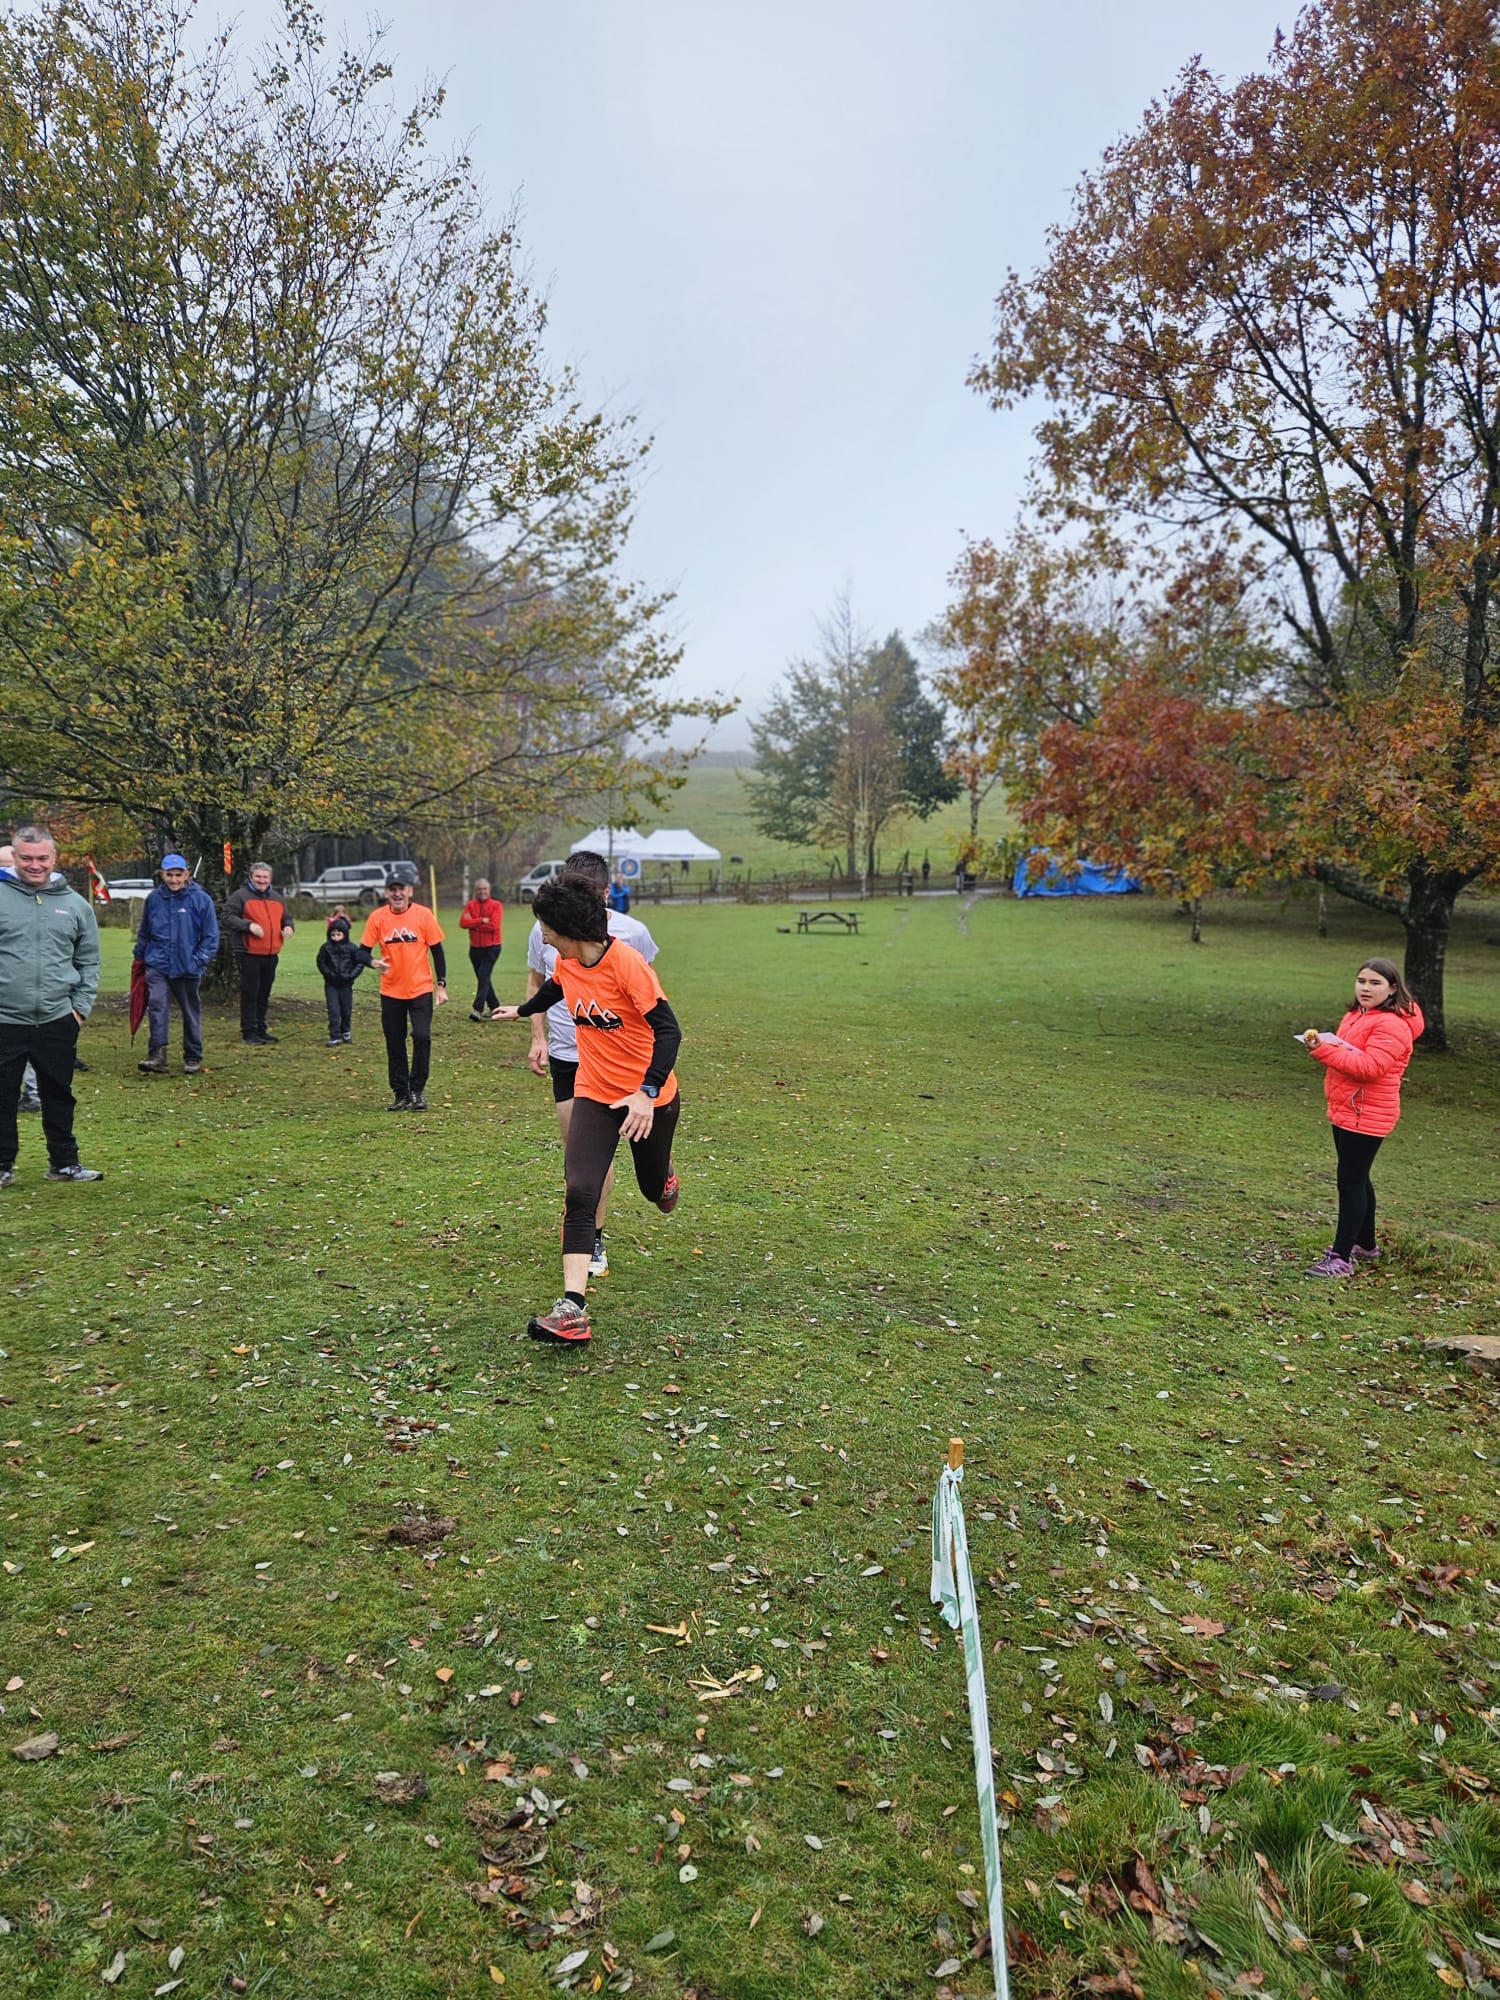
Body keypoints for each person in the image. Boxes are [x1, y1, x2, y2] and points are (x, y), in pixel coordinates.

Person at [493, 874, 681, 1345]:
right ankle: (571, 1308)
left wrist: (646, 1091)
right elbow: (557, 988)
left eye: (547, 927)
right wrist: (522, 1010)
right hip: (594, 1093)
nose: (543, 935)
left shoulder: (628, 965)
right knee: (579, 1190)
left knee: (652, 1189)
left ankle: (665, 1176)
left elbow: (669, 1031)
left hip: (646, 1099)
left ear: (569, 927)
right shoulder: (567, 959)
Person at [525, 850, 659, 1278]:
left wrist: (647, 1075)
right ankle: (592, 1239)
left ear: (604, 893)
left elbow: (647, 1000)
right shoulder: (546, 929)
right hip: (570, 1057)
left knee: (646, 1173)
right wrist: (537, 1036)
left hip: (623, 1066)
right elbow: (541, 981)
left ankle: (657, 1175)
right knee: (582, 1158)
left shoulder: (632, 935)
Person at [1300, 957, 1424, 1278]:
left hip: (1368, 1112)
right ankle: (1366, 1245)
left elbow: (1371, 1068)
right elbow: (1349, 1055)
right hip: (1347, 1107)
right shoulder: (1357, 1014)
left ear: (1393, 988)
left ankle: (1341, 1258)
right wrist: (1325, 1044)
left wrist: (1322, 1050)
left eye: (1375, 983)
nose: (1365, 988)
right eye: (1361, 981)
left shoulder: (1393, 1024)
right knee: (1359, 1177)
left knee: (1350, 1181)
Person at [0, 824, 103, 1186]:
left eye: (42, 858)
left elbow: (89, 960)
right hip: (5, 1019)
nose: (34, 865)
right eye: (26, 857)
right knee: (3, 1095)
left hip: (58, 1017)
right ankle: (2, 1166)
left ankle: (64, 1163)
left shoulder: (75, 904)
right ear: (13, 856)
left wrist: (80, 1008)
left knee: (59, 1095)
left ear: (54, 858)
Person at [359, 864, 448, 1110]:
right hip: (391, 992)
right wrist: (372, 961)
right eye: (392, 890)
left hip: (420, 989)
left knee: (422, 1035)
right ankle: (401, 1093)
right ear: (387, 893)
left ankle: (417, 1090)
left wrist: (440, 985)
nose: (397, 894)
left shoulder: (423, 915)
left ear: (410, 891)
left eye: (401, 889)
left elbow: (438, 951)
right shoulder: (378, 917)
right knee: (394, 1041)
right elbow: (361, 952)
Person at [133, 853, 220, 1075]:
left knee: (190, 1012)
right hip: (158, 965)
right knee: (157, 1006)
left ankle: (192, 1056)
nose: (173, 879)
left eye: (178, 875)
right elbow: (144, 932)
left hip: (187, 967)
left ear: (186, 874)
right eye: (169, 875)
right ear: (162, 874)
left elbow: (211, 937)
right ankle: (157, 1055)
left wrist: (198, 960)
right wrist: (140, 958)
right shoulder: (154, 899)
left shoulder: (201, 900)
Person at [223, 861, 295, 1045]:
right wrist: (249, 926)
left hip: (271, 953)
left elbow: (286, 918)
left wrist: (288, 928)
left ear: (270, 879)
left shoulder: (277, 898)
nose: (262, 880)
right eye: (258, 877)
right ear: (251, 877)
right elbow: (227, 918)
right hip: (248, 952)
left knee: (264, 992)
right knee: (250, 993)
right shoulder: (240, 896)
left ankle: (261, 1028)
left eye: (265, 877)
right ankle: (249, 1031)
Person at [315, 910, 364, 1045]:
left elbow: (359, 963)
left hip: (346, 984)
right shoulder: (326, 948)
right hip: (331, 984)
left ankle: (345, 1031)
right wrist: (330, 975)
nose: (336, 937)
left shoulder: (352, 948)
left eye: (339, 934)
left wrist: (350, 976)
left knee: (346, 1009)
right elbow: (321, 963)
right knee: (333, 1010)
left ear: (345, 934)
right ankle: (335, 1034)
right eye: (333, 934)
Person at [459, 877, 504, 1021]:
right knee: (483, 978)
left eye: (485, 889)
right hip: (475, 949)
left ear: (489, 890)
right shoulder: (471, 905)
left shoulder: (496, 905)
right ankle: (495, 1007)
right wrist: (480, 920)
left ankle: (477, 1009)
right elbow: (463, 923)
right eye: (479, 889)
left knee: (483, 977)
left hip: (492, 948)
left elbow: (494, 926)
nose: (482, 892)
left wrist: (473, 924)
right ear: (475, 891)